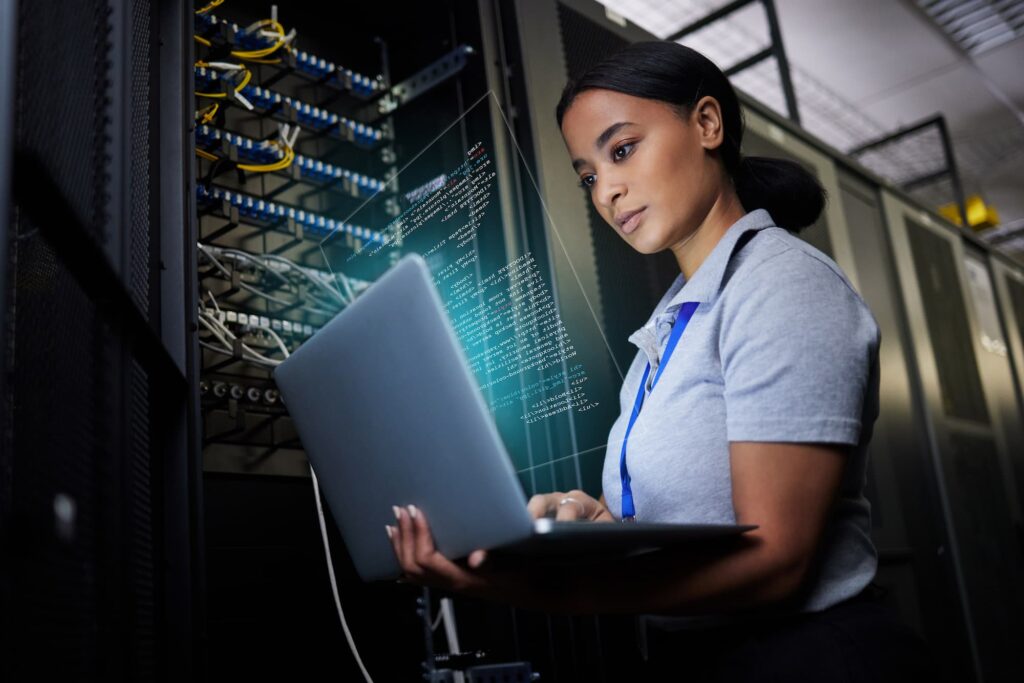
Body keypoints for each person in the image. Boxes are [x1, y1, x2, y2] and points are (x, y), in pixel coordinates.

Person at [385, 41, 939, 681]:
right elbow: (694, 515)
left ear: (707, 123)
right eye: (588, 175)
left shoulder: (783, 285)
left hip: (811, 659)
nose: (607, 191)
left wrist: (543, 592)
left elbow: (777, 561)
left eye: (621, 150)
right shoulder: (673, 325)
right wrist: (604, 520)